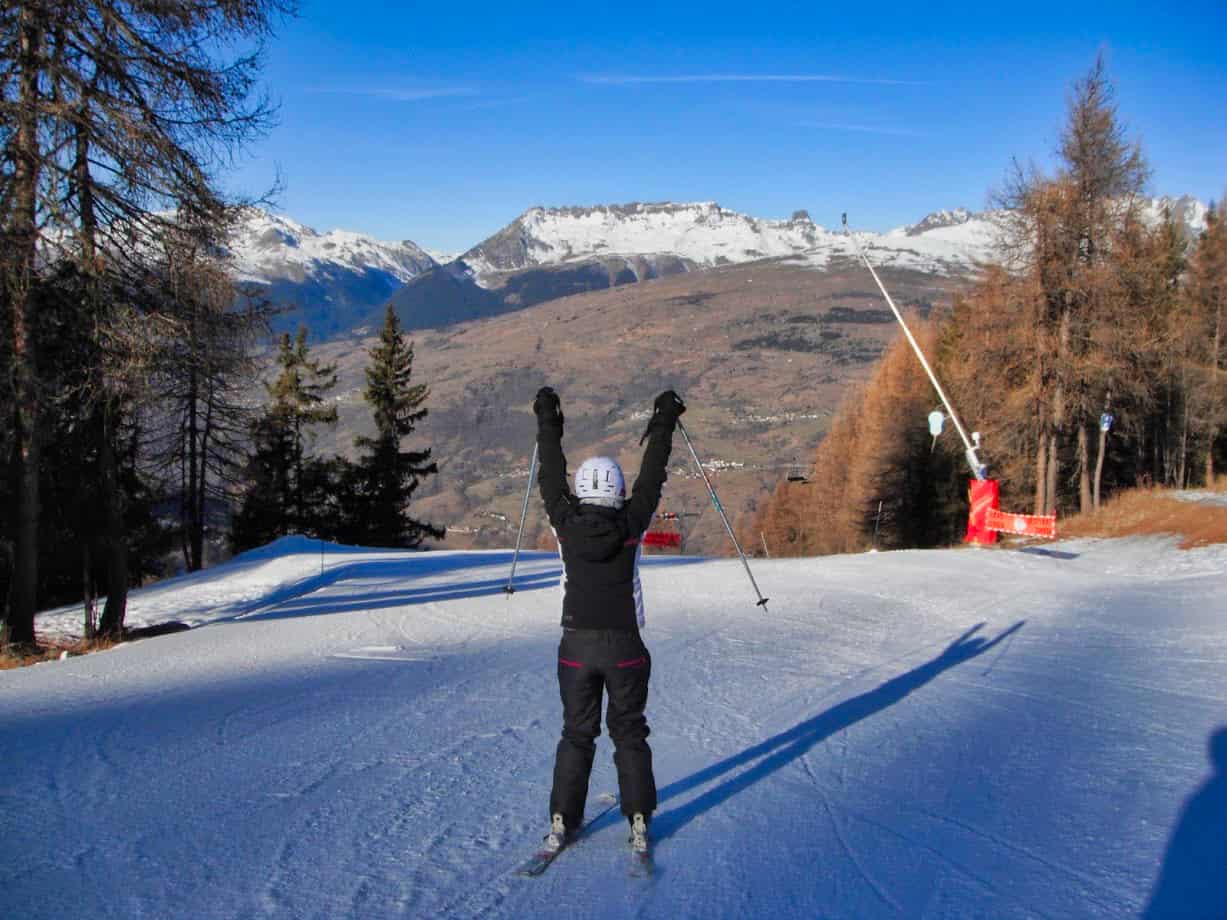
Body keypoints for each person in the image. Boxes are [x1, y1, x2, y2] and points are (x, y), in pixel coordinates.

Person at [532, 385, 686, 857]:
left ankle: (562, 819)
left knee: (577, 734)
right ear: (617, 491)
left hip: (575, 648)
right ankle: (638, 817)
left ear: (581, 490)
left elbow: (551, 472)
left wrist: (548, 420)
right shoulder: (631, 522)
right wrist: (663, 421)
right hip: (625, 647)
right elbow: (653, 477)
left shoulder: (563, 521)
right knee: (629, 730)